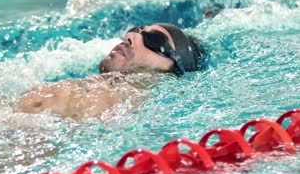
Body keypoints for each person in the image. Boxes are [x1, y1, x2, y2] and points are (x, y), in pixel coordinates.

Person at [16, 23, 207, 120]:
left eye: (154, 39)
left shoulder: (123, 101)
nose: (130, 36)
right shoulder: (106, 89)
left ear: (173, 68)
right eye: (136, 30)